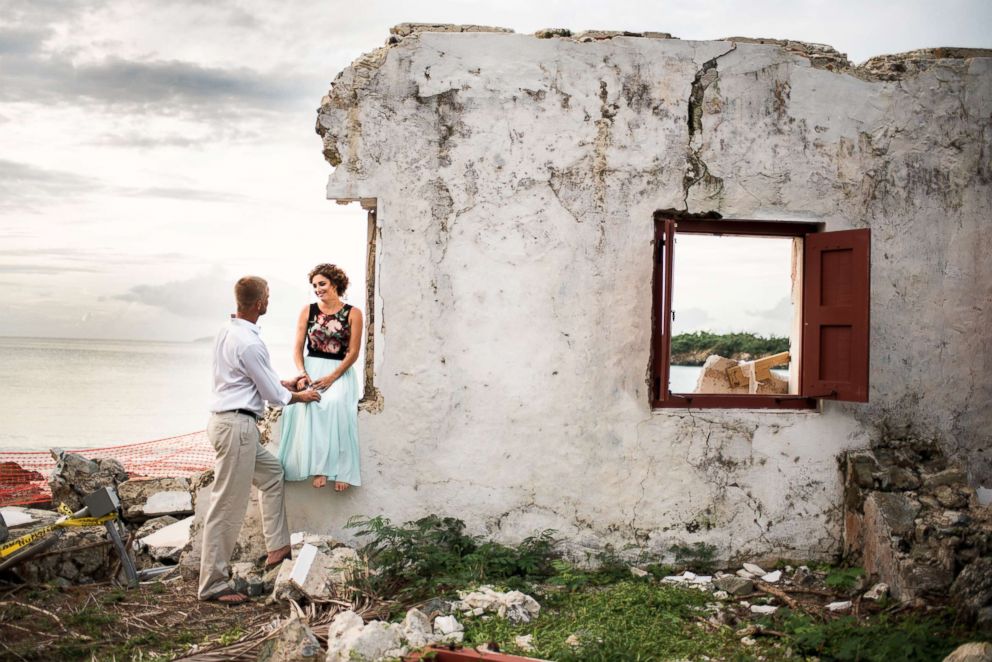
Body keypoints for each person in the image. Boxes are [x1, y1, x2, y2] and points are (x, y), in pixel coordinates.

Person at [198, 276, 321, 604]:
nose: (269, 299)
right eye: (267, 295)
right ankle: (212, 583)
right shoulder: (250, 343)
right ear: (259, 304)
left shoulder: (228, 331)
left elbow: (248, 379)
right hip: (237, 427)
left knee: (271, 475)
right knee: (227, 505)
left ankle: (277, 548)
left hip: (229, 422)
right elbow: (272, 395)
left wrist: (283, 382)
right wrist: (301, 395)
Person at [278, 263, 363, 491]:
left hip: (340, 371)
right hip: (311, 367)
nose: (318, 289)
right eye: (314, 285)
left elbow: (354, 352)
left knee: (336, 404)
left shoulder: (353, 313)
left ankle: (342, 469)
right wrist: (303, 374)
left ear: (335, 283)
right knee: (303, 406)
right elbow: (297, 349)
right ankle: (318, 468)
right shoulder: (308, 310)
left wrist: (332, 377)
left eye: (322, 284)